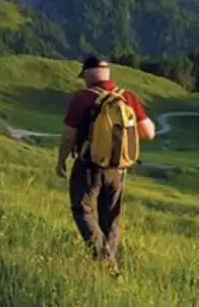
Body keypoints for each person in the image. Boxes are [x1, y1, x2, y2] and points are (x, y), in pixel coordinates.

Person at [55, 55, 156, 274]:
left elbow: (69, 136)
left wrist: (61, 159)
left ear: (89, 74)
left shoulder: (83, 98)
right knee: (110, 219)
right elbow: (149, 132)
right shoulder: (126, 97)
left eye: (84, 76)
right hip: (118, 170)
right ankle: (108, 267)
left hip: (89, 166)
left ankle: (107, 266)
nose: (83, 81)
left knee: (82, 210)